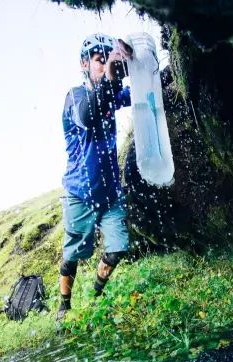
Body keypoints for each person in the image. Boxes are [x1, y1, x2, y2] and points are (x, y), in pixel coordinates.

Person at [57, 33, 134, 322]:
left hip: (110, 194)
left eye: (108, 60)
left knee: (117, 249)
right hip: (79, 194)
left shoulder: (110, 91)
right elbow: (88, 115)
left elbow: (137, 92)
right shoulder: (75, 97)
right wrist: (112, 79)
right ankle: (64, 306)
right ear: (84, 64)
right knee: (73, 255)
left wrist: (143, 66)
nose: (104, 66)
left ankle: (96, 295)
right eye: (99, 61)